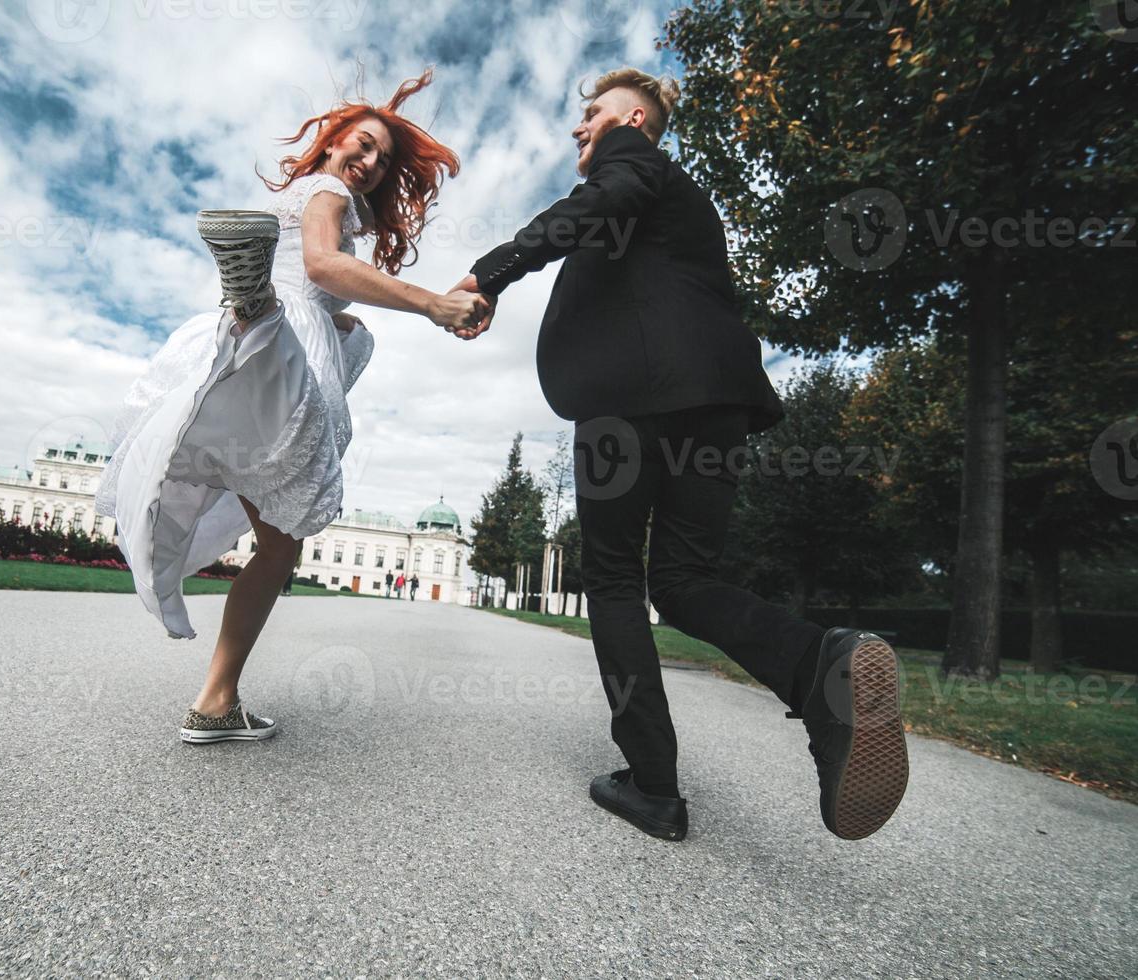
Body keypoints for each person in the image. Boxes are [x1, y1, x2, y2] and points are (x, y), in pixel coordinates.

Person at [452, 67, 908, 842]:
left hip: (628, 402)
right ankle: (815, 664)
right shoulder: (686, 203)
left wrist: (489, 273)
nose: (579, 128)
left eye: (590, 113)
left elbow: (598, 201)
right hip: (717, 404)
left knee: (614, 579)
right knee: (688, 581)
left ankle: (654, 785)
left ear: (632, 117)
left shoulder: (630, 159)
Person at [95, 70, 489, 745]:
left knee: (274, 536)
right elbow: (320, 267)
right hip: (294, 340)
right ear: (332, 142)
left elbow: (323, 274)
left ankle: (253, 309)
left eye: (382, 160)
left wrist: (344, 326)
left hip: (275, 337)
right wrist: (429, 302)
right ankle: (259, 311)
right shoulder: (328, 191)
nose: (367, 164)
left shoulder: (324, 200)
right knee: (281, 541)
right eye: (360, 145)